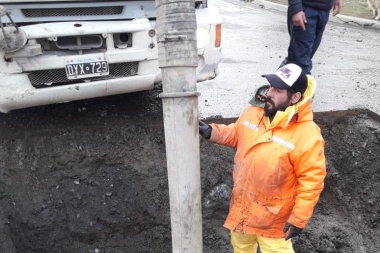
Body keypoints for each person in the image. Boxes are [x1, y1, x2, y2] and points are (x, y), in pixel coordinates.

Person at [199, 63, 326, 253]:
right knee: (241, 247)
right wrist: (212, 132)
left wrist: (299, 219)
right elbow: (237, 133)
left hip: (274, 221)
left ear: (295, 97)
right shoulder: (255, 111)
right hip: (242, 208)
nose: (270, 93)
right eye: (271, 87)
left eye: (278, 90)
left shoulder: (307, 135)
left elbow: (311, 181)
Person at [281, 0, 342, 74]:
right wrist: (296, 9)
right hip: (305, 10)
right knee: (300, 61)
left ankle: (275, 83)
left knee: (302, 58)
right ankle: (279, 83)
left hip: (324, 10)